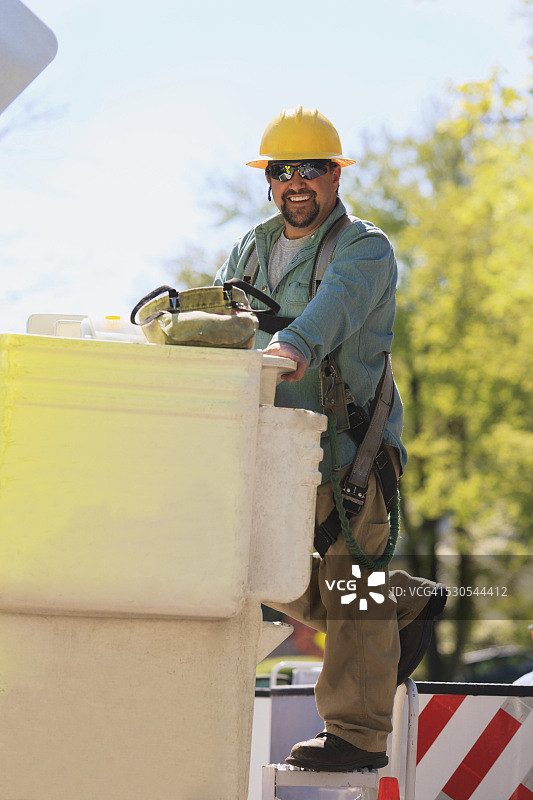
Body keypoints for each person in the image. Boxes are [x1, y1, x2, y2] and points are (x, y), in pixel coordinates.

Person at [215, 107, 446, 771]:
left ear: (334, 176)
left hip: (351, 452)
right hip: (277, 448)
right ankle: (402, 599)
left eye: (311, 170)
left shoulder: (365, 247)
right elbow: (230, 325)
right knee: (267, 573)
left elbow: (331, 310)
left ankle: (355, 736)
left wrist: (289, 347)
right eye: (283, 170)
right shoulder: (250, 249)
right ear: (268, 180)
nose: (297, 182)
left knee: (349, 589)